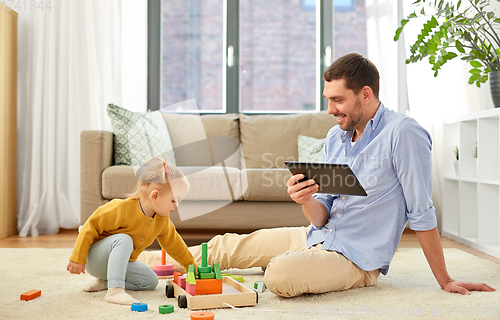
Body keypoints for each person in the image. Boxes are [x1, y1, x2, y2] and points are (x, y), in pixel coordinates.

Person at [139, 53, 495, 297]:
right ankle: (137, 260)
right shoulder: (335, 137)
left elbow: (421, 211)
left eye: (338, 100)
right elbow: (321, 213)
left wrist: (444, 279)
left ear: (365, 94)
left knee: (279, 274)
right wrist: (306, 198)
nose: (330, 110)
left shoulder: (404, 133)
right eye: (328, 99)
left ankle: (298, 268)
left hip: (356, 260)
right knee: (229, 245)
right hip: (317, 234)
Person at [67, 157, 195, 305]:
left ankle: (105, 283)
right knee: (124, 239)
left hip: (120, 264)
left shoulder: (162, 220)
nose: (177, 205)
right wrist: (78, 258)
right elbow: (90, 226)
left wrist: (190, 265)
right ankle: (115, 290)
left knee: (150, 281)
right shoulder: (121, 209)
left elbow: (175, 244)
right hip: (95, 259)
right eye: (174, 200)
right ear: (155, 196)